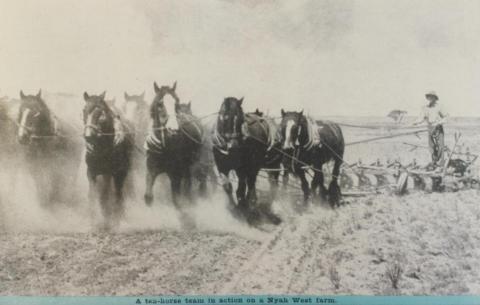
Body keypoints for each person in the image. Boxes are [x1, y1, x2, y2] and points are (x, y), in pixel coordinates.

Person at [413, 91, 448, 166]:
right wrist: (415, 122)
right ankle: (434, 162)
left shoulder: (439, 107)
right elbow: (421, 118)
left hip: (438, 127)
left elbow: (446, 117)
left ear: (435, 98)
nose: (430, 98)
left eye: (432, 97)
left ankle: (441, 163)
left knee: (440, 145)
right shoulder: (425, 108)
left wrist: (439, 123)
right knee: (431, 146)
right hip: (430, 127)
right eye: (429, 97)